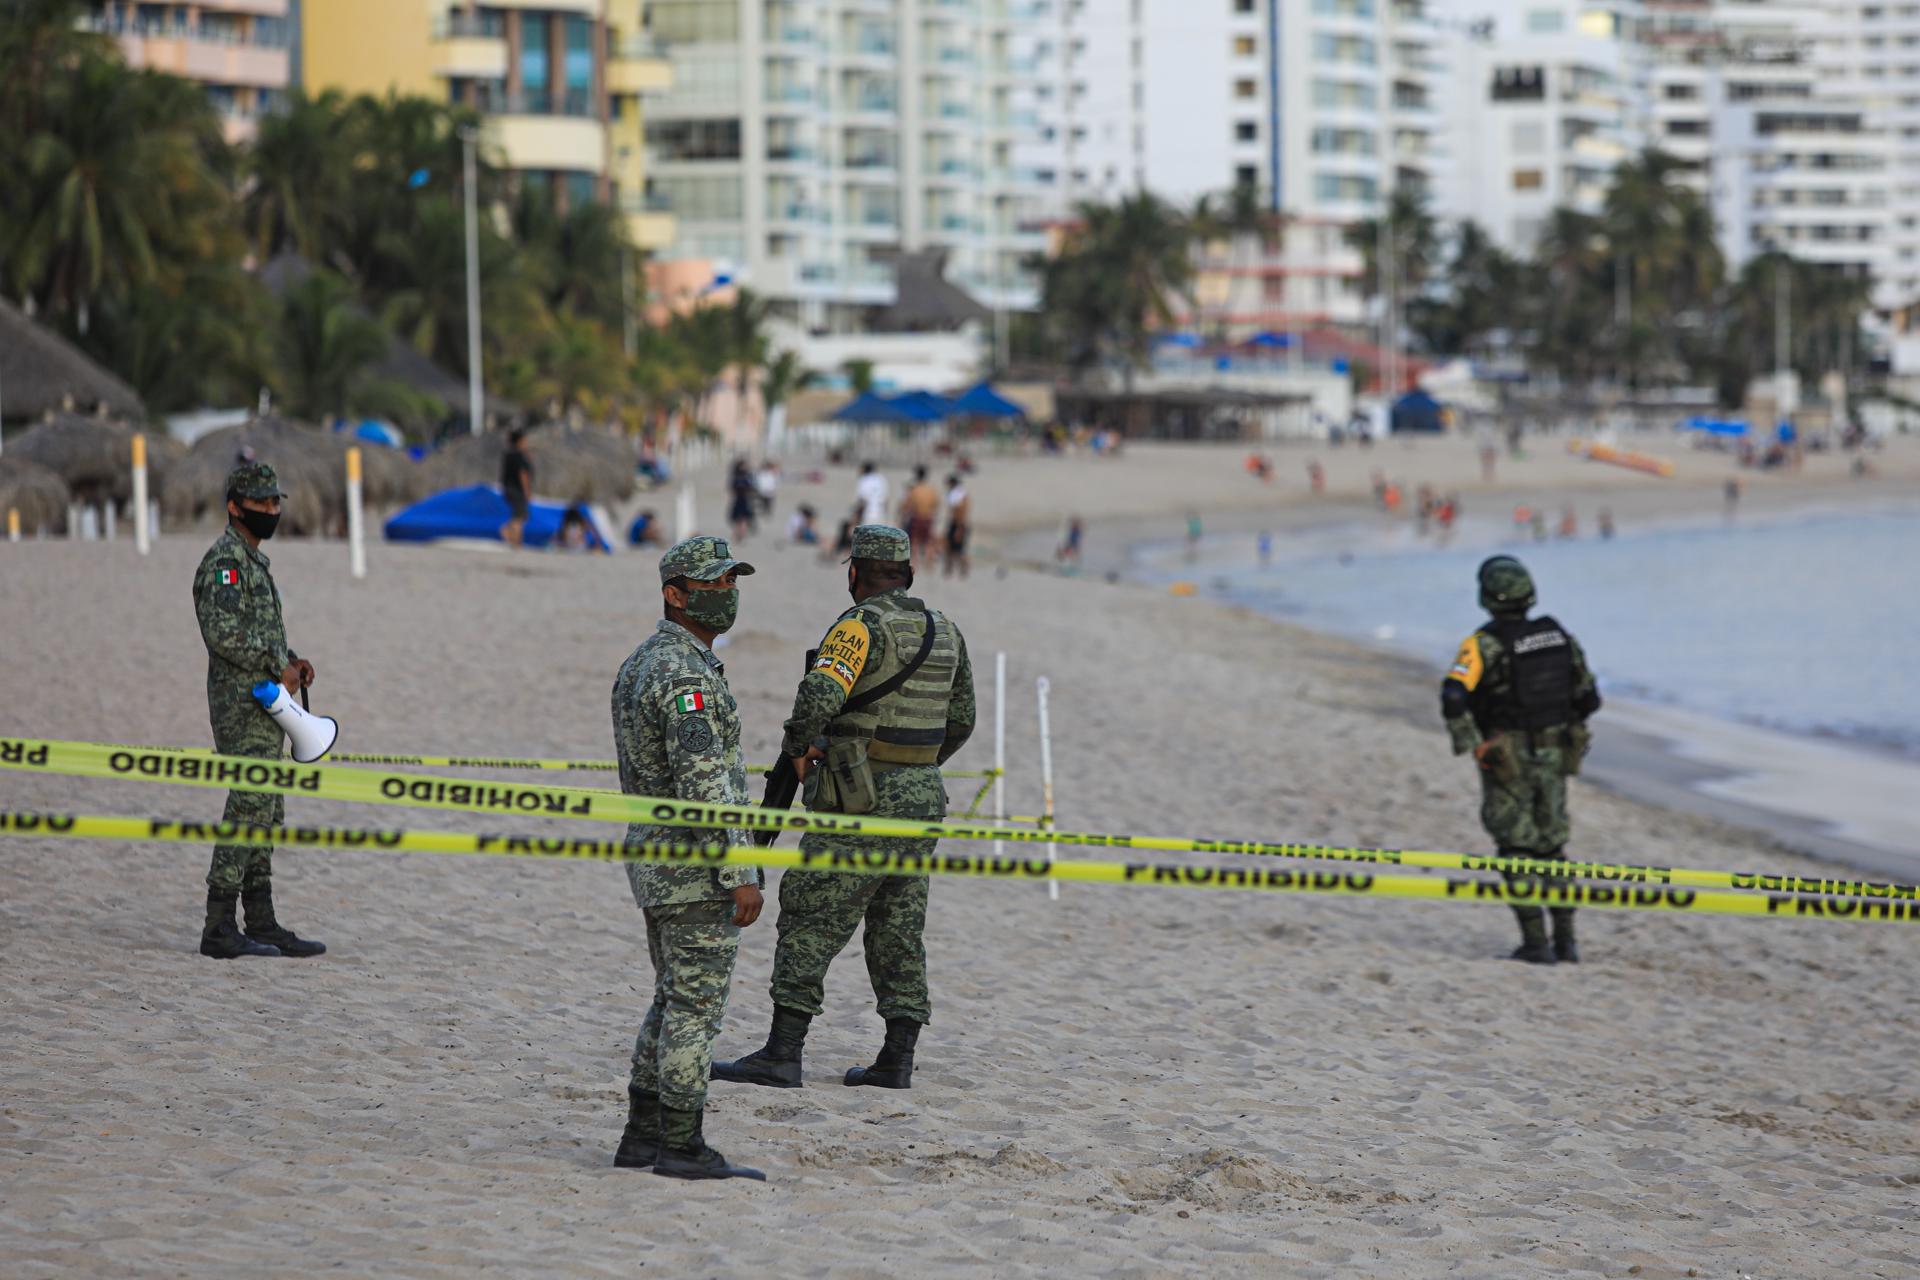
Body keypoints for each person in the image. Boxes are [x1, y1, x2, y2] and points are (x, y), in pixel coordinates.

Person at [712, 526, 975, 1093]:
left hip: (859, 800)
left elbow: (818, 696)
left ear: (854, 573)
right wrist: (916, 762)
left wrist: (805, 746)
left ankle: (783, 1053)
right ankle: (895, 1059)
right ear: (909, 573)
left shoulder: (858, 625)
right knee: (899, 925)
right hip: (923, 801)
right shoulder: (945, 630)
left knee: (811, 913)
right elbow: (962, 719)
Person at [610, 535, 766, 1181]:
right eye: (713, 584)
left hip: (657, 864)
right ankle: (680, 1143)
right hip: (692, 871)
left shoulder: (649, 660)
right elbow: (704, 783)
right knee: (695, 1012)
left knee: (671, 999)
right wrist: (740, 874)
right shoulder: (682, 672)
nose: (726, 594)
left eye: (732, 583)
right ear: (675, 594)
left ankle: (640, 1136)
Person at [192, 462, 325, 961]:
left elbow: (261, 634)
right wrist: (275, 665)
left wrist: (291, 664)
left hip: (270, 703)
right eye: (261, 503)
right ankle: (219, 924)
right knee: (247, 805)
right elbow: (222, 634)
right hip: (240, 707)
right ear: (234, 506)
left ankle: (262, 920)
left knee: (266, 810)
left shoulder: (253, 562)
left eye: (275, 503)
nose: (271, 511)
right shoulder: (224, 562)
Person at [1440, 556, 1602, 965]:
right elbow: (1588, 696)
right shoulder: (1557, 636)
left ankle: (1536, 943)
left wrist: (1472, 743)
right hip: (1554, 753)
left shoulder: (1483, 644)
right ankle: (1567, 941)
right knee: (1552, 847)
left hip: (1505, 754)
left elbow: (1454, 695)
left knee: (1515, 847)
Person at [900, 465, 940, 568]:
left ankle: (916, 563)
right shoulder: (931, 490)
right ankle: (929, 563)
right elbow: (936, 504)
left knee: (915, 541)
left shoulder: (914, 490)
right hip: (928, 517)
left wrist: (903, 515)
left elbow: (907, 505)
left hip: (917, 517)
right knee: (928, 541)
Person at [500, 429, 533, 548]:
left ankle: (514, 540)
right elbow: (522, 474)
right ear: (519, 441)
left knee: (519, 515)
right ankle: (513, 538)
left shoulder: (508, 455)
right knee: (519, 516)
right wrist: (527, 491)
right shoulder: (519, 456)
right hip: (517, 490)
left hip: (508, 488)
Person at [942, 473, 971, 578]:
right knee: (954, 548)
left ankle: (958, 569)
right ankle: (952, 570)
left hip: (958, 523)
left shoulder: (955, 494)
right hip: (960, 523)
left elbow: (959, 512)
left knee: (957, 549)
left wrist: (958, 528)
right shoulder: (961, 492)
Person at [728, 459, 758, 541]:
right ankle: (738, 534)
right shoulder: (738, 477)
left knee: (744, 519)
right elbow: (732, 490)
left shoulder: (748, 476)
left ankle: (741, 534)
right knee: (738, 520)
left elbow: (752, 488)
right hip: (740, 500)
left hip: (745, 500)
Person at [855, 461, 889, 525]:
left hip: (868, 514)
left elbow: (862, 501)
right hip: (880, 514)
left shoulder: (864, 480)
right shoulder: (881, 479)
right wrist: (885, 515)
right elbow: (885, 500)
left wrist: (856, 519)